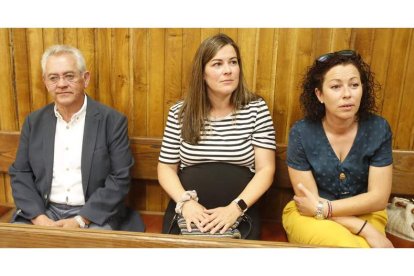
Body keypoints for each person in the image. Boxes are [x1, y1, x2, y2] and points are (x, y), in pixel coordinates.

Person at [9, 45, 145, 231]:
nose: (62, 84)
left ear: (85, 78)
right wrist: (39, 218)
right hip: (44, 210)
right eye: (53, 78)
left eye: (69, 76)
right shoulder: (34, 122)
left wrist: (81, 220)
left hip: (94, 213)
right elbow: (20, 173)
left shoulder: (112, 121)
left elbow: (120, 177)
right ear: (45, 82)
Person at [157, 33, 276, 240]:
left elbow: (266, 169)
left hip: (240, 212)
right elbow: (166, 167)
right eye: (217, 64)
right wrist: (186, 204)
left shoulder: (257, 109)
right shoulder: (180, 112)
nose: (228, 70)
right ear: (202, 73)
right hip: (190, 213)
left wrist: (236, 208)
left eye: (233, 62)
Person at [282, 50, 393, 247]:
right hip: (309, 216)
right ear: (320, 94)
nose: (347, 94)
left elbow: (378, 198)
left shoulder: (378, 128)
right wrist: (365, 229)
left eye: (354, 85)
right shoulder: (301, 132)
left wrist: (325, 209)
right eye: (335, 86)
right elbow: (310, 203)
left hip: (366, 213)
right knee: (348, 248)